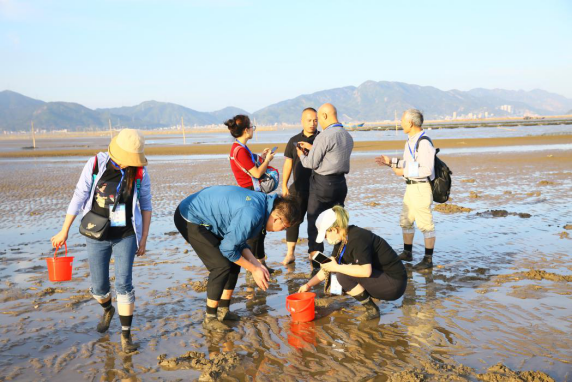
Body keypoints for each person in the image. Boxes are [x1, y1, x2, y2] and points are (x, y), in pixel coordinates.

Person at [51, 129, 152, 353]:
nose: (129, 164)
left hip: (125, 234)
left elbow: (146, 203)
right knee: (99, 288)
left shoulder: (140, 172)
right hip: (96, 234)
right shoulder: (97, 163)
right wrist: (63, 230)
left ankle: (126, 337)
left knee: (124, 284)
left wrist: (143, 236)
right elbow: (79, 195)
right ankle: (108, 309)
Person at [173, 185, 301, 332]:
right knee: (221, 265)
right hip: (190, 216)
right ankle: (210, 318)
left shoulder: (264, 206)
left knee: (235, 262)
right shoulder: (253, 214)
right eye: (284, 227)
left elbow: (239, 243)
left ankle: (223, 311)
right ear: (277, 218)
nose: (282, 231)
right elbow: (228, 249)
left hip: (210, 216)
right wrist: (253, 269)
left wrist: (257, 265)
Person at [298, 206, 407, 320]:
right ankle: (369, 296)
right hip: (382, 276)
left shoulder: (358, 238)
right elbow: (328, 267)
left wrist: (337, 267)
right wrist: (308, 285)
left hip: (395, 284)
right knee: (340, 272)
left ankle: (372, 309)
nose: (325, 239)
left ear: (334, 230)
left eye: (325, 235)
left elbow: (366, 271)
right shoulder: (342, 239)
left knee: (342, 275)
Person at [375, 109, 436, 269]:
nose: (400, 123)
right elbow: (409, 164)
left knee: (426, 224)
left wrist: (403, 172)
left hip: (421, 188)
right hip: (410, 188)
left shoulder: (424, 142)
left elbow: (427, 169)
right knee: (406, 220)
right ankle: (407, 253)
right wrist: (391, 162)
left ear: (410, 122)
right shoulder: (410, 141)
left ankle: (428, 259)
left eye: (402, 120)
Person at [297, 103, 353, 272]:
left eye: (318, 118)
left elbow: (310, 163)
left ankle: (317, 266)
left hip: (323, 184)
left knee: (315, 223)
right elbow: (332, 155)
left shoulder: (325, 135)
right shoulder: (347, 135)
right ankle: (340, 260)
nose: (318, 123)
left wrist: (301, 154)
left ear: (325, 116)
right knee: (339, 223)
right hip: (341, 184)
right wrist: (313, 148)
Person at [226, 115, 275, 271]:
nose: (253, 129)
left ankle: (261, 263)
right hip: (250, 192)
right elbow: (256, 174)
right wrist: (267, 161)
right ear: (246, 130)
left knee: (260, 231)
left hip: (250, 191)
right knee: (255, 233)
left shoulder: (240, 147)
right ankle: (255, 266)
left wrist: (261, 157)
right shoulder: (239, 150)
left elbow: (249, 166)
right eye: (252, 127)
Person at [281, 107, 319, 265]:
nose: (312, 123)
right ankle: (290, 253)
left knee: (315, 222)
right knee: (293, 220)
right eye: (309, 120)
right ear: (302, 121)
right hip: (297, 188)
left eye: (315, 120)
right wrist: (284, 185)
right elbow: (288, 163)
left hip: (317, 187)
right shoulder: (293, 140)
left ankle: (313, 253)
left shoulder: (322, 139)